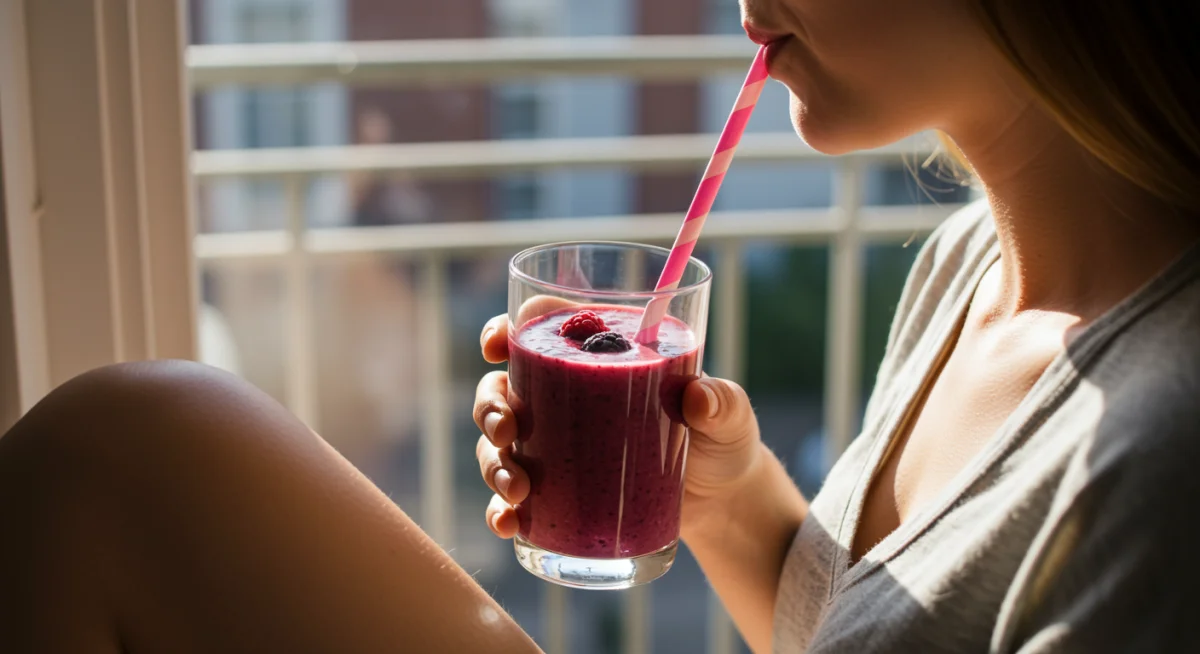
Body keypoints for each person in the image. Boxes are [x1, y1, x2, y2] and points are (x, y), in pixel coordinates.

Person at [2, 1, 1198, 652]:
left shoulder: (1164, 457)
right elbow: (852, 633)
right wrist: (722, 499)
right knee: (128, 450)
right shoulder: (966, 267)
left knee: (126, 452)